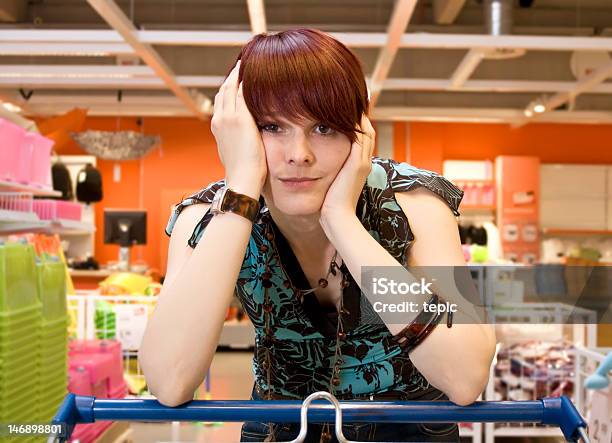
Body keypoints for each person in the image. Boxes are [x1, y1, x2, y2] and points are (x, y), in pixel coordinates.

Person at [139, 28, 496, 442]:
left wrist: (342, 221)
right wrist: (240, 198)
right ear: (235, 130)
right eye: (272, 127)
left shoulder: (412, 204)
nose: (299, 153)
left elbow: (466, 375)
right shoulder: (205, 217)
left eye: (324, 127)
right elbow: (169, 381)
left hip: (410, 428)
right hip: (281, 428)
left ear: (358, 130)